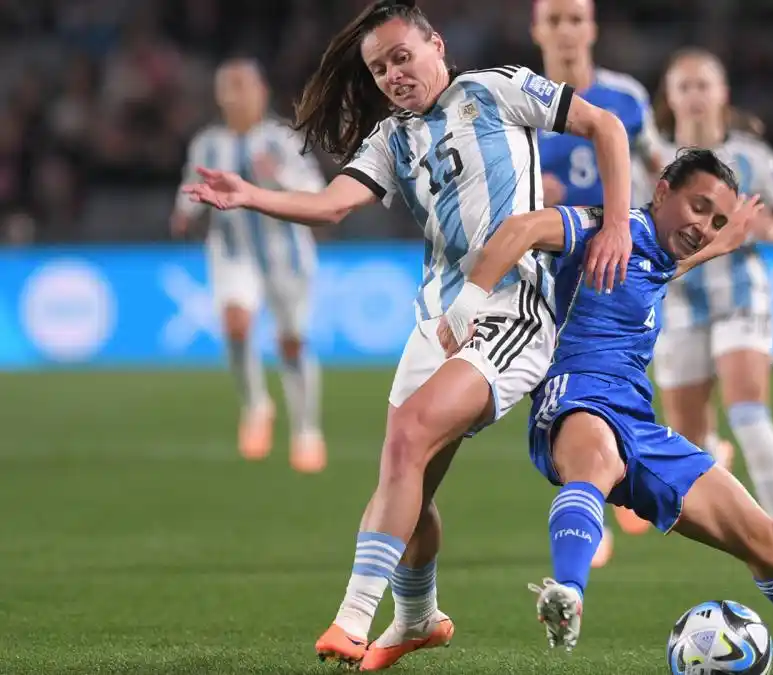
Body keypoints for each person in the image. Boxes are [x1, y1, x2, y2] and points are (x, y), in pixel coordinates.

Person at [182, 0, 636, 670]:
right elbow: (333, 204)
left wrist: (619, 221)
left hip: (512, 311)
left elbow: (604, 126)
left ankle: (349, 621)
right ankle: (419, 617)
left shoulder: (495, 88)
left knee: (411, 432)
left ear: (436, 45)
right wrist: (251, 195)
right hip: (436, 325)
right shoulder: (393, 138)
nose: (393, 74)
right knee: (407, 481)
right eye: (379, 68)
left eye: (402, 57)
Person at [438, 149, 773, 673]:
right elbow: (523, 227)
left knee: (768, 539)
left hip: (640, 424)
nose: (704, 226)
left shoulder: (660, 255)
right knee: (595, 464)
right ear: (662, 191)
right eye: (698, 207)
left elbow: (661, 267)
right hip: (577, 397)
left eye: (717, 220)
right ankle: (568, 593)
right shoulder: (604, 227)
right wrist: (469, 301)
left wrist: (722, 244)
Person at [652, 48, 773, 550]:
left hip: (741, 292)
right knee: (689, 443)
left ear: (722, 94)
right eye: (685, 87)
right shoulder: (651, 156)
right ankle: (718, 469)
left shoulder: (750, 155)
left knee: (750, 414)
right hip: (677, 297)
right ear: (670, 98)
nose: (696, 96)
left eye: (704, 85)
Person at [531, 0, 667, 566]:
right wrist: (536, 195)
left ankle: (610, 483)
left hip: (619, 264)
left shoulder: (626, 98)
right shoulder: (520, 102)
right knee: (554, 389)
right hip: (551, 267)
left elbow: (661, 165)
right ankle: (590, 496)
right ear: (537, 29)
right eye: (554, 20)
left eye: (575, 19)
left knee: (621, 375)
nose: (566, 31)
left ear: (592, 28)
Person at [170, 58, 328, 473]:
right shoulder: (208, 143)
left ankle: (306, 430)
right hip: (232, 251)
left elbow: (316, 190)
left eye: (244, 86)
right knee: (236, 324)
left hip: (286, 251)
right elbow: (192, 184)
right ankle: (256, 405)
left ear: (261, 92)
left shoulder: (281, 140)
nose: (237, 96)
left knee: (291, 341)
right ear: (220, 96)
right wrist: (184, 212)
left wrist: (277, 177)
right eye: (229, 87)